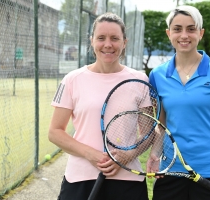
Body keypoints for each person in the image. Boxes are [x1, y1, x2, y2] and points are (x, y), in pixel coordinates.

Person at [149, 5, 210, 200]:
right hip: (170, 172)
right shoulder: (157, 75)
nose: (184, 35)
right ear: (169, 33)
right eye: (177, 29)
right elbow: (161, 125)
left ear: (201, 33)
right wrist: (155, 154)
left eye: (191, 29)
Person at [48, 12, 149, 200]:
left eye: (115, 38)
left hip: (128, 179)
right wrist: (91, 154)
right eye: (101, 38)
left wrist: (128, 155)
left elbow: (148, 133)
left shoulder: (140, 80)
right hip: (80, 179)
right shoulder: (72, 79)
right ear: (91, 41)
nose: (108, 44)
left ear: (124, 42)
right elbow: (54, 132)